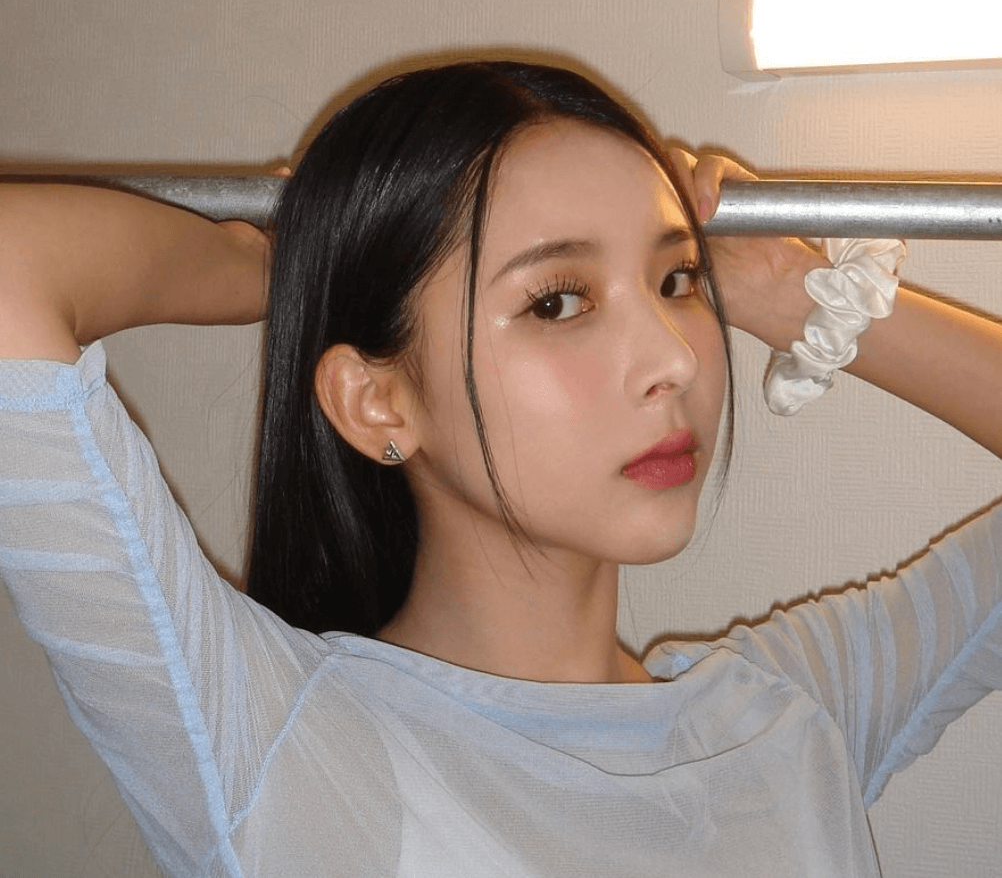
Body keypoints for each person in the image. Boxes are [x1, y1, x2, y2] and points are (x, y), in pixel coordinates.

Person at [0, 60, 999, 877]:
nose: (676, 360)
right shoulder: (283, 749)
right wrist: (273, 263)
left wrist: (800, 296)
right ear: (377, 402)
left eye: (676, 279)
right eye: (557, 301)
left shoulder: (784, 718)